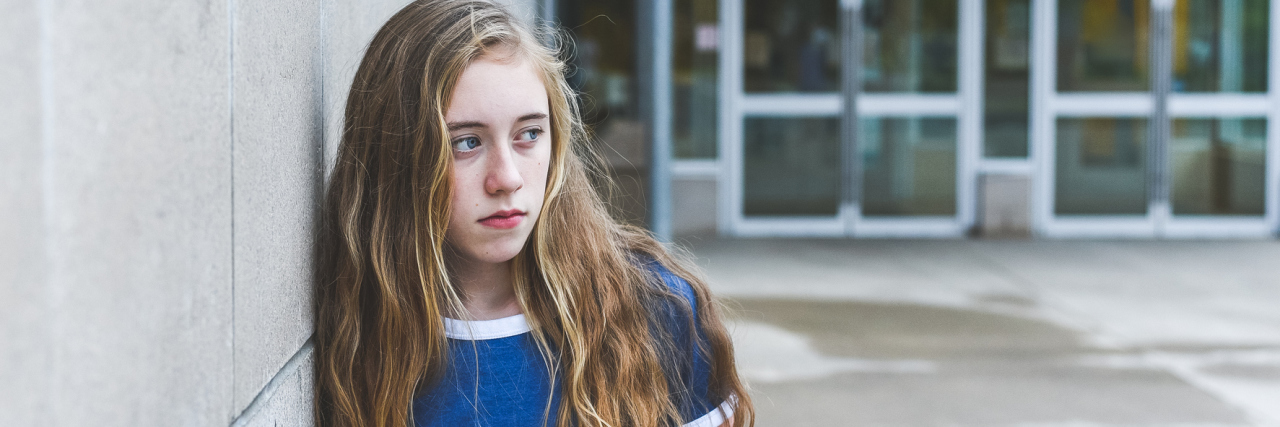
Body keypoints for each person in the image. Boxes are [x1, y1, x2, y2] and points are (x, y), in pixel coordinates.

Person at [312, 1, 754, 426]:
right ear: (396, 157)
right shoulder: (362, 336)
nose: (506, 178)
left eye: (528, 134)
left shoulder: (656, 308)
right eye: (465, 142)